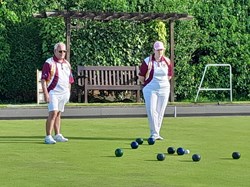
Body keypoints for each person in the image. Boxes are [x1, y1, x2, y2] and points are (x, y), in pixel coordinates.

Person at [138, 41, 173, 140]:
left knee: (160, 111)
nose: (159, 52)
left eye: (161, 50)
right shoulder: (147, 61)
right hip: (150, 89)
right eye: (157, 50)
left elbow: (169, 76)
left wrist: (161, 84)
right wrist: (149, 83)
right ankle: (154, 133)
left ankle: (157, 133)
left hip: (164, 89)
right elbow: (141, 77)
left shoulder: (167, 61)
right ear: (154, 50)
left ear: (163, 50)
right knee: (152, 110)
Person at [41, 42, 74, 144]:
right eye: (60, 51)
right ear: (55, 51)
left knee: (59, 113)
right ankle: (48, 136)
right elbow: (43, 80)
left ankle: (58, 134)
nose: (62, 53)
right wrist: (46, 93)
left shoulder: (67, 64)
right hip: (53, 92)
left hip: (64, 93)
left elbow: (70, 80)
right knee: (53, 112)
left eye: (64, 51)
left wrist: (68, 91)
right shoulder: (49, 63)